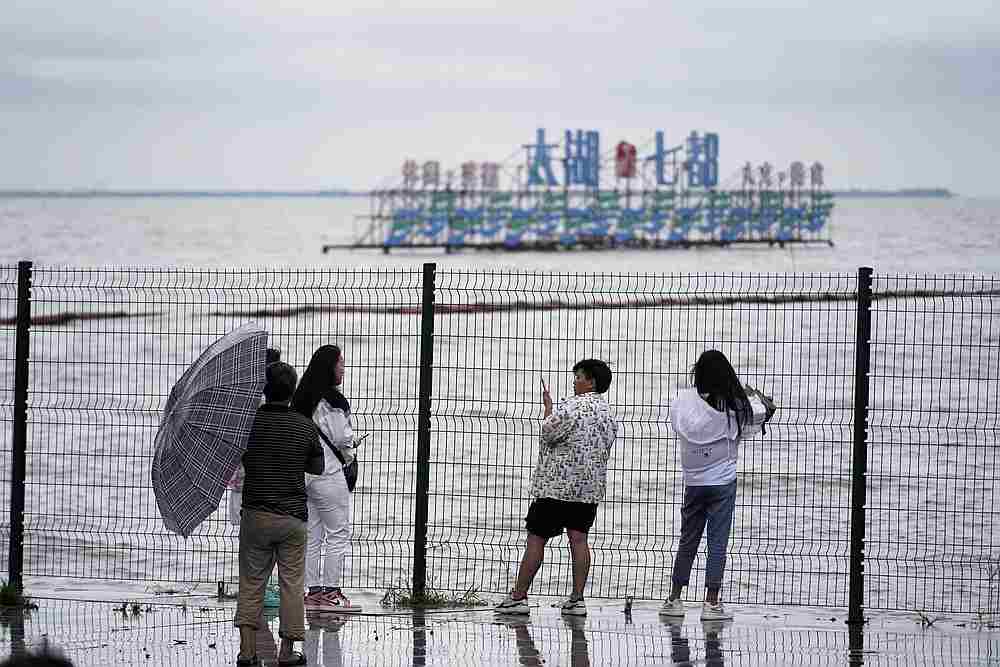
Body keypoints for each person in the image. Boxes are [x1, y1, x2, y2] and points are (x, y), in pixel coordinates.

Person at [495, 359, 618, 617]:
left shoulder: (571, 406)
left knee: (537, 539)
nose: (574, 381)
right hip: (588, 489)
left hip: (556, 488)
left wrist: (549, 409)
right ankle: (577, 599)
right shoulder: (607, 412)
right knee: (580, 539)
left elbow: (548, 432)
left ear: (591, 381)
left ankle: (518, 597)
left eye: (578, 377)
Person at [660, 349, 776, 621]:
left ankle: (674, 599)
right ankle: (711, 604)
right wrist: (758, 399)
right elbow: (762, 412)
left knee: (688, 540)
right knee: (717, 543)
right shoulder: (734, 407)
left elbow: (676, 418)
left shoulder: (683, 402)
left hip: (693, 482)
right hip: (722, 482)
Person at [235, 361, 325, 667]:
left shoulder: (248, 424)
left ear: (263, 389)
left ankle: (248, 653)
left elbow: (237, 455)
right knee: (291, 583)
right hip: (292, 518)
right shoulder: (304, 425)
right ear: (292, 391)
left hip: (256, 515)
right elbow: (317, 467)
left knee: (251, 581)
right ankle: (287, 653)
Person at [292, 345, 359, 612]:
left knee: (313, 534)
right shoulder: (334, 400)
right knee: (338, 533)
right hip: (329, 473)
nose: (343, 368)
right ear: (330, 367)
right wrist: (354, 441)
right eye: (340, 363)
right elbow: (342, 438)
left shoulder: (301, 398)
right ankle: (331, 593)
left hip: (305, 474)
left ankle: (312, 593)